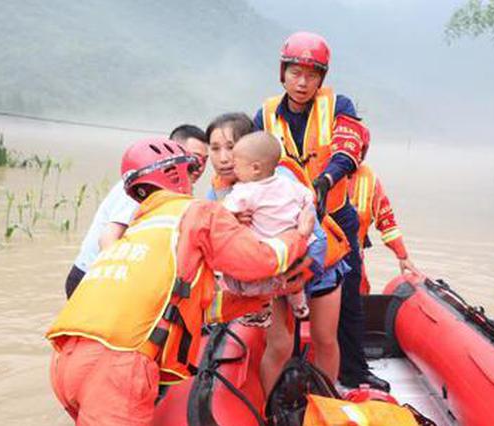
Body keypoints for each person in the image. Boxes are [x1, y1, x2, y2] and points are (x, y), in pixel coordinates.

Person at [46, 137, 316, 425]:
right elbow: (262, 261)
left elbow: (186, 305)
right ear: (178, 175)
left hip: (66, 363)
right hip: (118, 370)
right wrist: (298, 235)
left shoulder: (141, 228)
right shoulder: (198, 212)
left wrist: (258, 299)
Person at [254, 31, 389, 391]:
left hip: (335, 217)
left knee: (348, 300)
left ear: (321, 79)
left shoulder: (338, 105)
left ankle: (354, 372)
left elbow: (349, 146)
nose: (302, 82)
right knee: (285, 294)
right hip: (286, 222)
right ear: (282, 73)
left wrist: (326, 180)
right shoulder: (265, 115)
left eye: (312, 74)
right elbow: (251, 162)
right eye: (295, 72)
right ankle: (291, 366)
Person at [206, 112, 349, 389]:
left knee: (325, 338)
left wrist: (296, 275)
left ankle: (326, 401)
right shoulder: (219, 191)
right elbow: (216, 238)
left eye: (231, 148)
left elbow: (314, 236)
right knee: (280, 344)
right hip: (272, 271)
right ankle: (270, 413)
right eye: (214, 148)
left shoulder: (279, 178)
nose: (223, 158)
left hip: (317, 266)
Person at [63, 125, 207, 298]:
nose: (198, 167)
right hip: (93, 277)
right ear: (172, 152)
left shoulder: (175, 192)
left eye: (204, 161)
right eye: (194, 158)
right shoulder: (143, 186)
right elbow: (108, 239)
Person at [222, 131, 316, 321]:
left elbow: (222, 212)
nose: (234, 169)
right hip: (295, 249)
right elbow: (309, 197)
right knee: (292, 283)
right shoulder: (289, 184)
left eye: (237, 165)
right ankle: (300, 306)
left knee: (240, 278)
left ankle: (258, 312)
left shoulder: (245, 191)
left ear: (255, 168)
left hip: (267, 251)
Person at [348, 162, 422, 294]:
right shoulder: (319, 168)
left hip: (354, 260)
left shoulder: (369, 179)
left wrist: (402, 256)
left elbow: (386, 220)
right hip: (322, 262)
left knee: (359, 295)